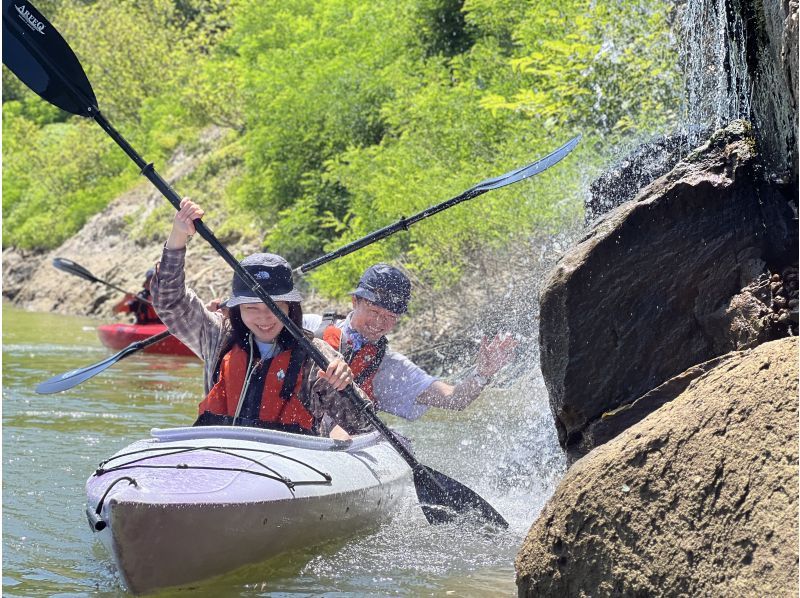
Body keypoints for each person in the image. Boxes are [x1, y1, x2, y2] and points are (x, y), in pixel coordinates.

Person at [151, 198, 372, 438]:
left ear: (290, 307)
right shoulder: (217, 337)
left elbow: (361, 424)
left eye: (274, 307)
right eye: (252, 308)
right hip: (219, 456)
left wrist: (343, 385)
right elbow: (169, 302)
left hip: (289, 465)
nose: (264, 318)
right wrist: (178, 236)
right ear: (237, 309)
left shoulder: (316, 356)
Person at [305, 263, 518, 421]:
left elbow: (455, 399)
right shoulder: (309, 327)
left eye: (390, 317)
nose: (379, 323)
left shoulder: (390, 368)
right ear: (355, 301)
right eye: (374, 311)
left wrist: (483, 374)